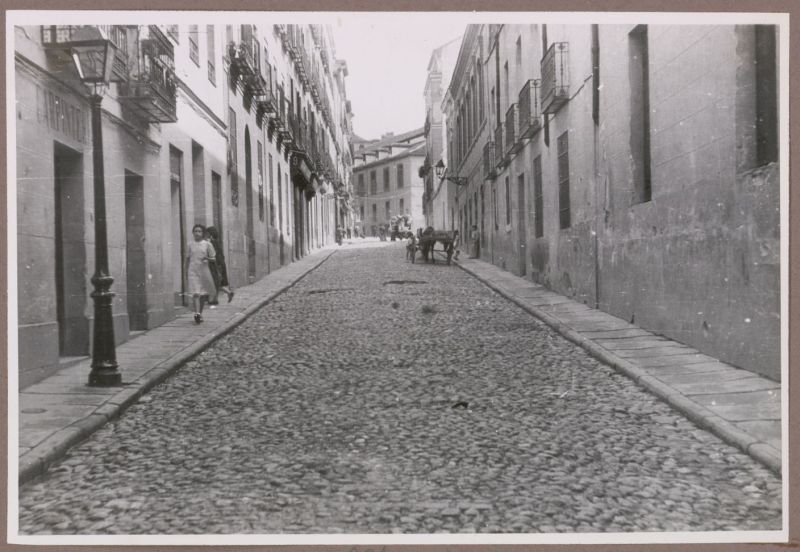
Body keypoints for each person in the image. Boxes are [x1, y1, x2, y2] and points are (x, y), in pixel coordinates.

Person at [186, 224, 217, 324]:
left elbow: (213, 258)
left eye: (199, 231)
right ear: (193, 233)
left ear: (203, 233)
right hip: (193, 271)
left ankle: (200, 313)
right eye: (195, 231)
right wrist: (186, 270)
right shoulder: (190, 244)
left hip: (204, 271)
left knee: (203, 295)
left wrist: (207, 258)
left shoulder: (207, 244)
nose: (197, 233)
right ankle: (197, 314)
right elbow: (187, 258)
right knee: (196, 293)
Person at [205, 226, 234, 307]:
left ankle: (214, 301)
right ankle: (228, 293)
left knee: (215, 283)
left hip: (216, 265)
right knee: (217, 283)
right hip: (220, 264)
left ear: (210, 234)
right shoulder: (216, 242)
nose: (206, 235)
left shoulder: (212, 243)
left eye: (207, 233)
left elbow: (214, 255)